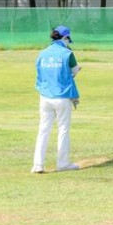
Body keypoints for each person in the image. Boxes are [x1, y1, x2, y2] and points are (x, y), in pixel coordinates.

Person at [31, 25, 82, 174]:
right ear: (65, 37)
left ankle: (38, 165)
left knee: (43, 130)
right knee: (63, 129)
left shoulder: (43, 53)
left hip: (45, 96)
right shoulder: (67, 53)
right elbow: (74, 71)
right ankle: (63, 164)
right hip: (62, 97)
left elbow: (40, 73)